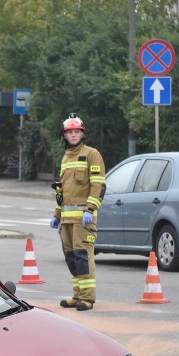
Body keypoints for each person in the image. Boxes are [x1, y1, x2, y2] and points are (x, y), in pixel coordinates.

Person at [50, 114, 106, 311]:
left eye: (77, 132)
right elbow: (62, 191)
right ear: (64, 135)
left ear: (82, 134)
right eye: (70, 132)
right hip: (66, 219)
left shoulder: (91, 154)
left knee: (83, 256)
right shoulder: (65, 158)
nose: (73, 135)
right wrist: (57, 214)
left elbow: (99, 185)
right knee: (72, 257)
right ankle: (77, 295)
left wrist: (90, 209)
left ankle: (88, 298)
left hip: (84, 219)